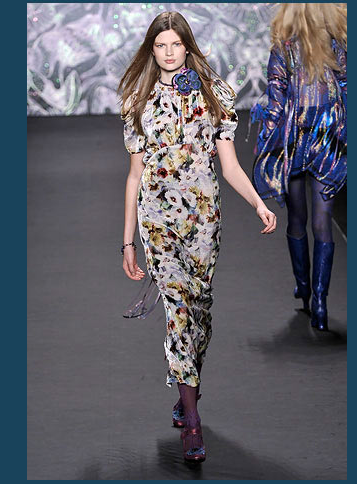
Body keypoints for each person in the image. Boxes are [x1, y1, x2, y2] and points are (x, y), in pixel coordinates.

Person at [118, 11, 276, 463]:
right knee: (179, 311)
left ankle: (187, 392)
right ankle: (191, 420)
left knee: (200, 312)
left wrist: (258, 202)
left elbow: (229, 166)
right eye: (160, 45)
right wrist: (127, 241)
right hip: (157, 220)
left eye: (175, 44)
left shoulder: (214, 94)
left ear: (187, 46)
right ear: (151, 50)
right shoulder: (137, 99)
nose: (168, 52)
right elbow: (135, 176)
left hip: (204, 219)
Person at [251, 3, 347, 332]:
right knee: (322, 222)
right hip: (327, 137)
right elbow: (347, 88)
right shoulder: (336, 44)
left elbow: (276, 97)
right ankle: (319, 301)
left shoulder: (284, 47)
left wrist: (267, 137)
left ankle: (305, 289)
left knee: (298, 218)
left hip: (294, 138)